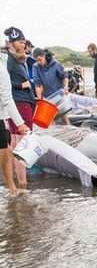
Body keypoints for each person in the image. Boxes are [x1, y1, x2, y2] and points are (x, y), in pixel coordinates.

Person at [4, 27, 36, 189]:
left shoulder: (18, 59)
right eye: (21, 42)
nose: (24, 45)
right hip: (19, 103)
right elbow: (4, 85)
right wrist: (21, 85)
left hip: (25, 103)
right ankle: (22, 184)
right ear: (11, 43)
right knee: (21, 144)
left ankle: (19, 182)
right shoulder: (8, 61)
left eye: (24, 42)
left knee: (19, 143)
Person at [1, 42, 29, 195]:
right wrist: (20, 124)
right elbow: (7, 98)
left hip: (2, 116)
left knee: (6, 150)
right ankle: (12, 188)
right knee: (6, 152)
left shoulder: (7, 66)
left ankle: (12, 188)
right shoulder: (3, 69)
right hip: (2, 116)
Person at [32, 48, 69, 124]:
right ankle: (52, 134)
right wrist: (40, 100)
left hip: (59, 95)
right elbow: (37, 84)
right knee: (49, 120)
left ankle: (70, 131)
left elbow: (65, 76)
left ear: (44, 56)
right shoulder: (35, 67)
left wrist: (65, 87)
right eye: (36, 60)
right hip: (47, 98)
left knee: (64, 117)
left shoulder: (55, 64)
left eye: (40, 60)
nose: (38, 62)